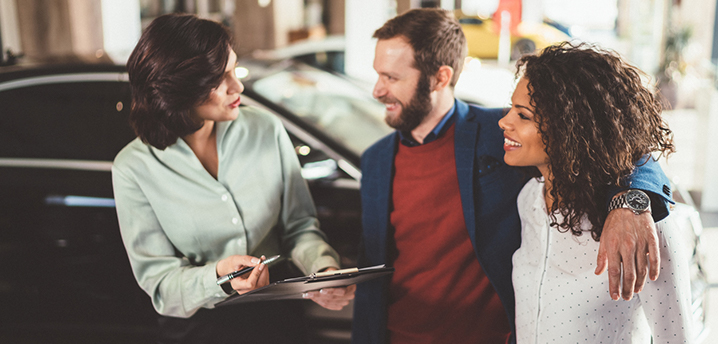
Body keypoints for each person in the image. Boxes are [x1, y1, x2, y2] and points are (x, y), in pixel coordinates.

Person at [352, 8, 674, 344]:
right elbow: (374, 258)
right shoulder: (375, 160)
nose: (377, 90)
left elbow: (623, 150)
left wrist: (631, 202)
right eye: (378, 75)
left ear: (439, 77)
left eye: (391, 77)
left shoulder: (505, 133)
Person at [112, 13, 354, 343]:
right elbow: (160, 284)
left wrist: (323, 271)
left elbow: (299, 228)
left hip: (279, 316)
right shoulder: (133, 167)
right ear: (181, 88)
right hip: (200, 328)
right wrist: (217, 277)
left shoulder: (266, 129)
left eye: (234, 69)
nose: (237, 86)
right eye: (218, 79)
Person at [501, 42, 692, 343]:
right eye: (510, 108)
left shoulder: (643, 227)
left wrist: (635, 200)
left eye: (523, 115)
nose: (503, 121)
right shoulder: (529, 199)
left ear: (569, 128)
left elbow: (678, 338)